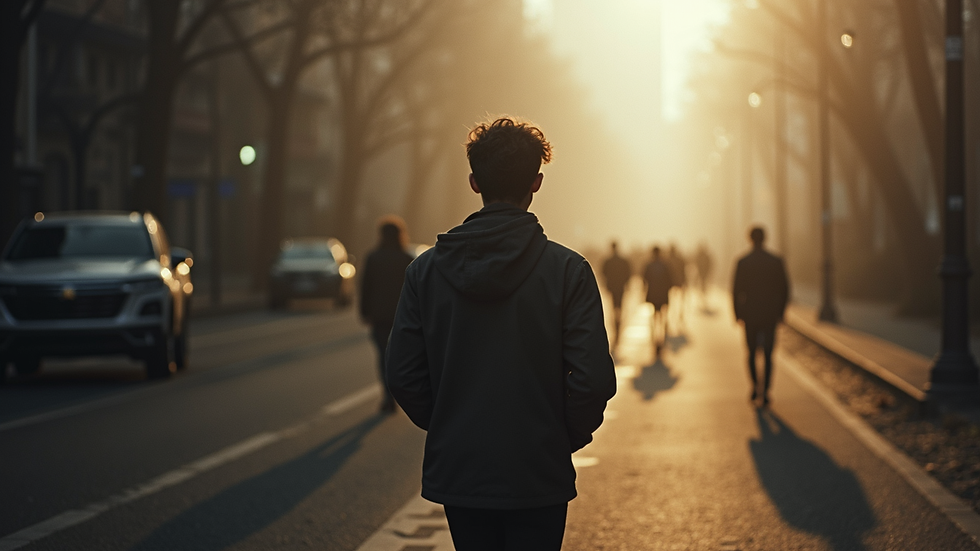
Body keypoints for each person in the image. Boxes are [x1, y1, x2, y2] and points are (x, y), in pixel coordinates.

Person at [385, 117, 616, 551]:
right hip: (537, 468)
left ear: (474, 182)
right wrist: (562, 436)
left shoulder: (424, 272)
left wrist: (450, 426)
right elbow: (593, 378)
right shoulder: (568, 271)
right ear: (537, 182)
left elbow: (402, 373)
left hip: (460, 467)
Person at [359, 216, 414, 413]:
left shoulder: (373, 258)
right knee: (401, 357)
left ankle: (387, 396)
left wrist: (365, 312)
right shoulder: (407, 259)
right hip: (403, 316)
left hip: (379, 316)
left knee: (384, 356)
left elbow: (365, 287)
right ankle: (400, 394)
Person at [732, 226, 790, 407]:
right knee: (768, 354)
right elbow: (785, 289)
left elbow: (735, 290)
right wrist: (781, 313)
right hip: (770, 313)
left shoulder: (743, 261)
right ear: (765, 238)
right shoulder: (776, 261)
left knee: (750, 352)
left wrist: (737, 313)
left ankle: (754, 386)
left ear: (750, 239)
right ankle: (765, 391)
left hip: (750, 313)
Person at [643, 246, 673, 354]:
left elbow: (644, 279)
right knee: (662, 315)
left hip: (653, 294)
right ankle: (662, 336)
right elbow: (670, 280)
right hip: (662, 294)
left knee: (655, 314)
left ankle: (655, 335)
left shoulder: (649, 265)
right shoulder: (665, 265)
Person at [602, 240, 632, 345]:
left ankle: (616, 326)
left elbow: (603, 273)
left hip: (612, 287)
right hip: (620, 287)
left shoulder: (608, 261)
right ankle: (618, 326)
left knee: (613, 308)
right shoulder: (623, 261)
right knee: (619, 308)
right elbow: (628, 273)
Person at [667, 243, 687, 329]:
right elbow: (683, 272)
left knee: (671, 300)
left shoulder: (667, 260)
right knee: (680, 300)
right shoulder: (679, 260)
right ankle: (679, 314)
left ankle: (675, 314)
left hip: (671, 283)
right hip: (679, 283)